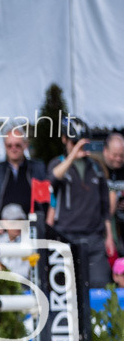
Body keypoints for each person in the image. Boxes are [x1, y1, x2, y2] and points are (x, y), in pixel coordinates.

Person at [47, 117, 112, 288]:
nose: (80, 146)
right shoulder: (58, 163)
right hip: (66, 236)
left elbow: (105, 207)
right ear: (65, 139)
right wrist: (72, 156)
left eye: (83, 142)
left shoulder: (96, 167)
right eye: (75, 142)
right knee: (66, 289)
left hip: (94, 239)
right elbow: (51, 182)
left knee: (100, 286)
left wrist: (109, 237)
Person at [0, 128, 48, 236]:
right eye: (9, 145)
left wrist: (46, 226)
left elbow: (49, 199)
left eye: (18, 145)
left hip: (32, 233)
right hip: (2, 235)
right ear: (5, 146)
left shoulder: (37, 169)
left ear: (25, 145)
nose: (13, 149)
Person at [95, 132, 124, 257]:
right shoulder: (96, 169)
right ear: (105, 151)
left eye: (122, 156)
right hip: (104, 230)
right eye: (115, 155)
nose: (118, 159)